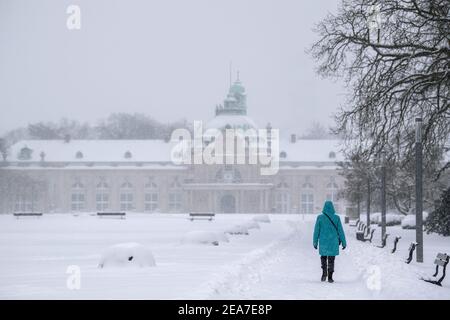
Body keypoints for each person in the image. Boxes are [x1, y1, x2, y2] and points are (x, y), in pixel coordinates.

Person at [313, 200, 347, 283]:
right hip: (333, 242)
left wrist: (315, 242)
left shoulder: (320, 217)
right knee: (331, 260)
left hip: (323, 242)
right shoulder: (336, 218)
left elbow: (316, 231)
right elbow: (340, 231)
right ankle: (330, 277)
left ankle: (324, 273)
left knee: (323, 257)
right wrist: (344, 242)